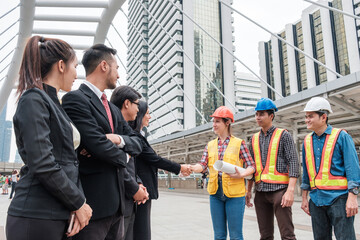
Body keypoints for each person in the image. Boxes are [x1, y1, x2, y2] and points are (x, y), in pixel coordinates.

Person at [6, 36, 92, 240]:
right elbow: (43, 162)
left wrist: (76, 204)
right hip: (35, 215)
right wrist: (78, 202)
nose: (76, 74)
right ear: (61, 65)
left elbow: (69, 162)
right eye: (75, 66)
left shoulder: (54, 104)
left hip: (55, 214)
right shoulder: (33, 99)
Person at [62, 44, 145, 240]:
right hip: (92, 207)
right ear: (104, 66)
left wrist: (116, 139)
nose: (118, 75)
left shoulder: (114, 110)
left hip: (117, 208)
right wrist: (125, 152)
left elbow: (138, 143)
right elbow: (97, 146)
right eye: (117, 68)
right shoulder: (75, 100)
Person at [123, 100, 191, 240]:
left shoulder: (138, 135)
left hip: (142, 189)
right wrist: (179, 168)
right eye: (147, 113)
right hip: (140, 191)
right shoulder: (135, 137)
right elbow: (154, 159)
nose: (150, 117)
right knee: (141, 231)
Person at [191, 106, 255, 240]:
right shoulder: (210, 145)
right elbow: (202, 165)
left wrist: (241, 175)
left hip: (235, 194)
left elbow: (251, 166)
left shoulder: (239, 143)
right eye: (213, 121)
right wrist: (190, 168)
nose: (214, 125)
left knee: (236, 235)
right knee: (219, 235)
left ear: (227, 123)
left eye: (217, 121)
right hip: (215, 193)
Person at [301, 97, 360, 240]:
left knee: (345, 237)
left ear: (323, 117)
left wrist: (353, 196)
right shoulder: (307, 141)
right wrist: (304, 198)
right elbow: (306, 174)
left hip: (339, 199)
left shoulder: (341, 136)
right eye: (306, 116)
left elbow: (352, 168)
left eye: (311, 116)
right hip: (316, 200)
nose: (307, 120)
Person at [246, 98, 299, 240]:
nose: (258, 117)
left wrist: (290, 191)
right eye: (256, 114)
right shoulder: (254, 139)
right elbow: (251, 168)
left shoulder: (284, 135)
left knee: (287, 235)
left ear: (271, 116)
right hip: (261, 192)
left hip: (280, 192)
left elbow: (293, 162)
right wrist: (248, 191)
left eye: (262, 114)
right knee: (265, 235)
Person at [109, 85, 149, 240]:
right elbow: (115, 164)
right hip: (118, 201)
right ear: (127, 104)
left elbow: (132, 160)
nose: (139, 109)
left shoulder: (126, 132)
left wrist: (137, 183)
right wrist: (134, 188)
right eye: (137, 104)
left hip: (129, 201)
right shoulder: (110, 128)